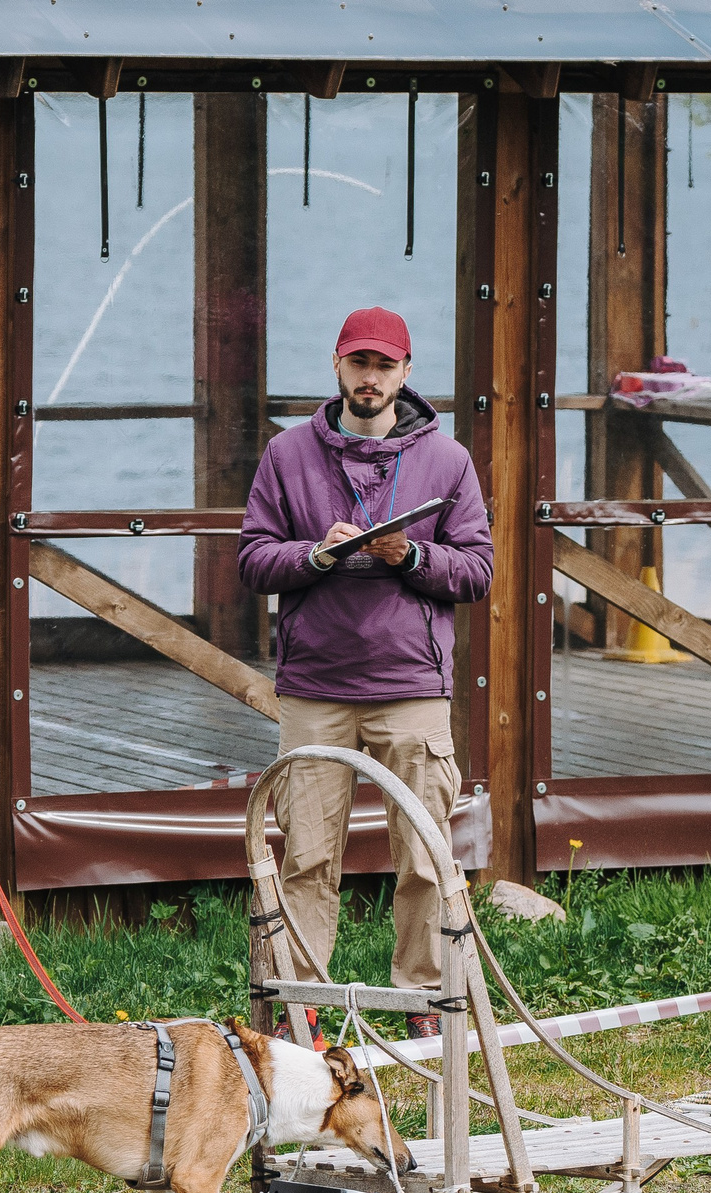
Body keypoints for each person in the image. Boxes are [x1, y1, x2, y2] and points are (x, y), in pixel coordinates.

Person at [237, 307, 493, 1034]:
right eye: (359, 363)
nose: (370, 377)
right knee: (307, 859)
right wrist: (314, 557)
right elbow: (253, 557)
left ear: (407, 373)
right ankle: (302, 1007)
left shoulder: (449, 461)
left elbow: (477, 571)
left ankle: (426, 999)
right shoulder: (287, 455)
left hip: (413, 687)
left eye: (385, 365)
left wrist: (405, 555)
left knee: (423, 855)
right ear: (337, 366)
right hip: (315, 689)